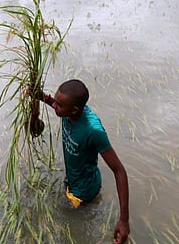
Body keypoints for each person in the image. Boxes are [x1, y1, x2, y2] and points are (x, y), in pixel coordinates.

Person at [32, 79, 130, 244]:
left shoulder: (93, 130)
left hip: (83, 193)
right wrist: (42, 97)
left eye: (59, 105)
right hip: (72, 179)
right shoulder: (68, 111)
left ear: (74, 110)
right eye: (55, 101)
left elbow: (119, 171)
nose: (54, 106)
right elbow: (56, 104)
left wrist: (124, 220)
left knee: (66, 226)